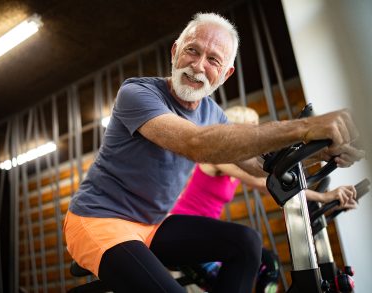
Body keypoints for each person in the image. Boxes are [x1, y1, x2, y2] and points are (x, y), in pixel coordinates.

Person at [63, 12, 364, 293]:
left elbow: (260, 167)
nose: (197, 66)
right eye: (192, 51)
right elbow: (196, 143)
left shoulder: (212, 113)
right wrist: (302, 128)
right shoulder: (139, 93)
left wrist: (319, 153)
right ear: (175, 51)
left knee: (248, 243)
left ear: (226, 73)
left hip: (153, 225)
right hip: (97, 220)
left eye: (212, 60)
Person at [170, 106, 358, 293]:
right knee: (229, 279)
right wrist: (324, 197)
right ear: (237, 128)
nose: (257, 132)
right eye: (252, 126)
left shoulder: (242, 161)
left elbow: (274, 175)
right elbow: (262, 182)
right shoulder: (220, 158)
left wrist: (323, 155)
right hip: (188, 228)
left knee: (270, 266)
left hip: (208, 231)